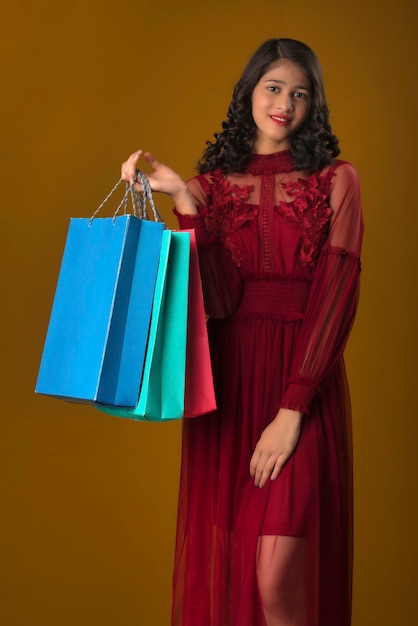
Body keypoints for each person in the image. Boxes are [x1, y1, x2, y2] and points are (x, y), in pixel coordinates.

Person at [122, 38, 363, 626]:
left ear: (315, 106)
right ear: (249, 93)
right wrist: (183, 199)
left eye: (300, 94)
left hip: (300, 383)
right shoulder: (210, 187)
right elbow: (222, 300)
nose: (285, 103)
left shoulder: (338, 179)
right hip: (231, 385)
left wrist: (294, 406)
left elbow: (338, 294)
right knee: (234, 578)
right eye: (274, 88)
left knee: (277, 577)